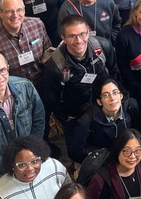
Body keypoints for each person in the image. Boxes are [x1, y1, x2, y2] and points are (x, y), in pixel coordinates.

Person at [45, 15, 115, 148]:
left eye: (82, 34)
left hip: (104, 106)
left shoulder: (102, 47)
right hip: (76, 114)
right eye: (72, 36)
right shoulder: (55, 66)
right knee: (79, 149)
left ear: (88, 32)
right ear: (63, 38)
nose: (78, 41)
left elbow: (113, 71)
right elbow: (52, 98)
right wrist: (65, 119)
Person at [0, 0, 52, 89]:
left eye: (19, 10)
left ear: (24, 11)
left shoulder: (37, 24)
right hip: (14, 92)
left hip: (43, 83)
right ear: (0, 13)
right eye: (9, 11)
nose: (15, 15)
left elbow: (48, 52)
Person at [69, 77, 136, 164]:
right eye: (105, 95)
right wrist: (105, 156)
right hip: (103, 160)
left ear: (121, 95)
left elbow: (137, 130)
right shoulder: (87, 120)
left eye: (115, 92)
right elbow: (76, 151)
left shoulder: (131, 107)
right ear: (99, 101)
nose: (112, 98)